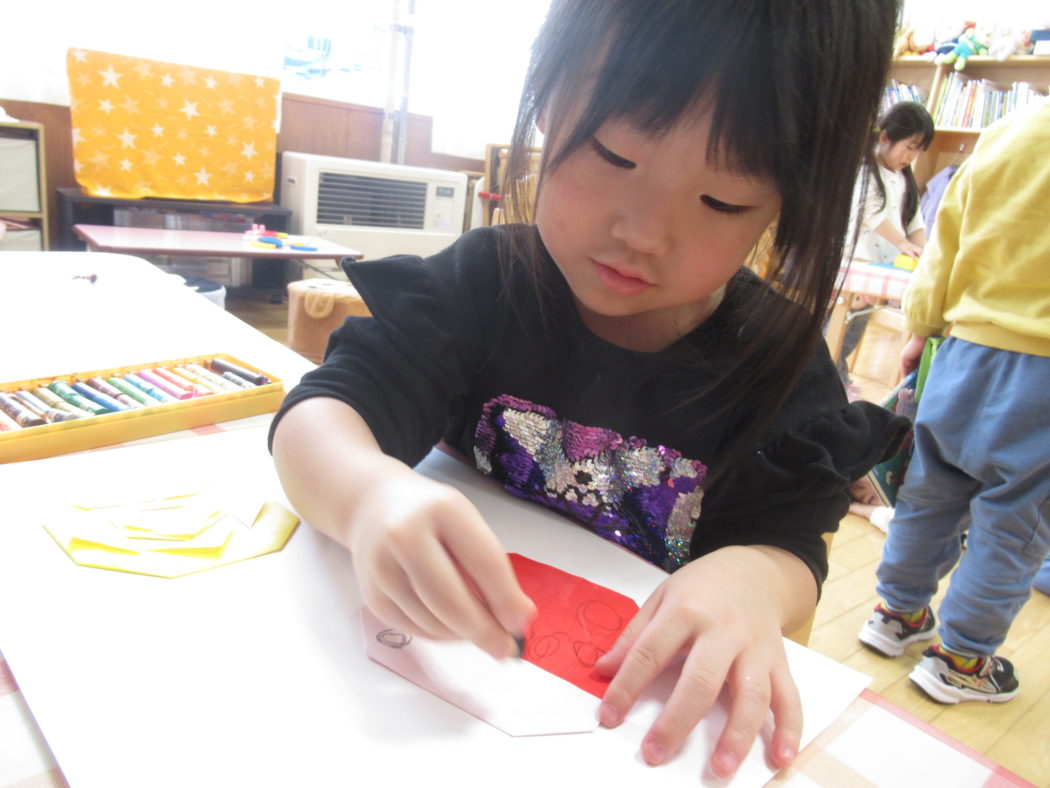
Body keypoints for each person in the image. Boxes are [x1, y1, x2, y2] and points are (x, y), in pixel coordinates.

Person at [271, 0, 906, 778]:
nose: (643, 233)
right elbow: (323, 413)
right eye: (612, 155)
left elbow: (791, 544)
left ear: (787, 205)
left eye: (722, 202)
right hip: (407, 705)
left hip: (616, 733)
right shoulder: (484, 287)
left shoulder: (782, 369)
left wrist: (755, 579)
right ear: (548, 104)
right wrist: (368, 495)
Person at [858, 101, 1050, 704]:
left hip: (963, 350)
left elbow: (946, 240)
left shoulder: (1011, 130)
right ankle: (962, 658)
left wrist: (921, 328)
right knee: (1015, 519)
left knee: (929, 492)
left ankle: (897, 613)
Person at [836, 101, 935, 386]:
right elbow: (868, 211)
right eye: (909, 146)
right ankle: (832, 373)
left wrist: (925, 254)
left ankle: (836, 372)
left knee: (856, 324)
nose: (911, 156)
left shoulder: (904, 178)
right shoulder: (865, 169)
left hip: (880, 265)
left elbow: (915, 222)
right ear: (885, 137)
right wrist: (902, 243)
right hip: (855, 261)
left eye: (918, 150)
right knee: (839, 325)